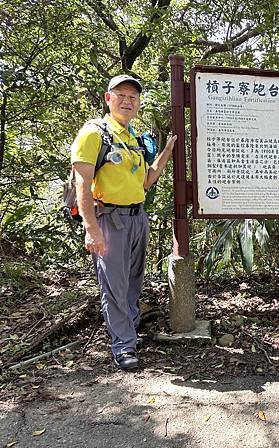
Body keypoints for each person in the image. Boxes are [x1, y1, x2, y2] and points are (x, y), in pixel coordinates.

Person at [71, 74, 177, 370]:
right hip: (109, 218)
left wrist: (166, 153)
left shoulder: (132, 138)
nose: (128, 101)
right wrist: (91, 228)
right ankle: (123, 345)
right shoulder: (95, 133)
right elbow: (83, 182)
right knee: (113, 285)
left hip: (137, 217)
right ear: (108, 98)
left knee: (132, 282)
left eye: (133, 97)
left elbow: (145, 181)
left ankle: (127, 332)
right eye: (121, 95)